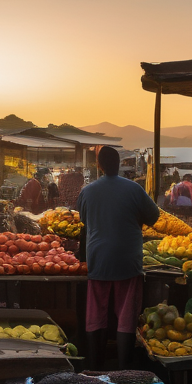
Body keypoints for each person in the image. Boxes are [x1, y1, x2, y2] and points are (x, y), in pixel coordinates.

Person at [77, 145, 159, 369]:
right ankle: (124, 368)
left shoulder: (87, 191)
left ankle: (95, 367)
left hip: (98, 259)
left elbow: (85, 221)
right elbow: (154, 217)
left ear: (99, 166)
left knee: (96, 313)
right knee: (126, 315)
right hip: (128, 259)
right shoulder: (134, 189)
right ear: (120, 164)